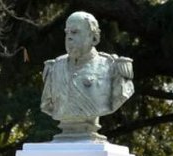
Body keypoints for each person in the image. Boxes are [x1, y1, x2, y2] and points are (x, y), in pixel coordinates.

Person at [40, 11, 134, 139]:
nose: (69, 37)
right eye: (67, 33)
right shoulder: (54, 67)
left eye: (75, 32)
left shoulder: (112, 68)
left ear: (94, 38)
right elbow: (47, 104)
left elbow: (120, 95)